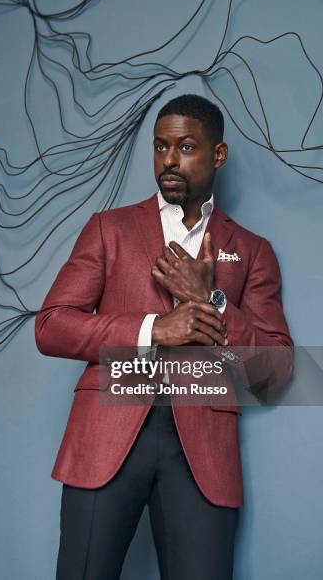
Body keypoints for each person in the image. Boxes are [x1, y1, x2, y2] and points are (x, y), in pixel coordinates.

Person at [35, 94, 293, 580]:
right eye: (160, 147)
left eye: (186, 147)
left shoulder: (252, 252)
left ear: (218, 155)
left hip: (203, 452)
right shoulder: (108, 229)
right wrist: (155, 328)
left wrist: (211, 300)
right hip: (106, 435)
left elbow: (276, 371)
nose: (169, 161)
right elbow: (51, 325)